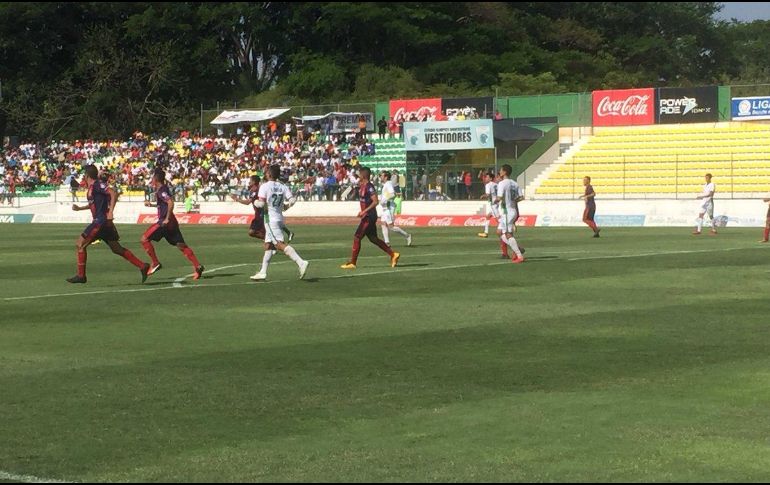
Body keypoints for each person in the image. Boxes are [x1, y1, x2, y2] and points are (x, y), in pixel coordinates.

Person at [66, 165, 150, 284]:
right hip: (104, 223)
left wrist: (110, 212)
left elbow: (113, 192)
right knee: (117, 249)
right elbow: (94, 204)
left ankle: (81, 276)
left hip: (100, 222)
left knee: (80, 244)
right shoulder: (91, 188)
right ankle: (142, 266)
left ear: (87, 175)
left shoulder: (96, 185)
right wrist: (80, 208)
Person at [140, 169, 204, 279]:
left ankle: (155, 263)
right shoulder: (162, 189)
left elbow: (170, 202)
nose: (151, 180)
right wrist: (152, 205)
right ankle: (197, 266)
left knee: (144, 239)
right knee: (181, 246)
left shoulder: (161, 191)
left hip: (165, 223)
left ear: (155, 179)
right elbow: (164, 205)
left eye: (152, 178)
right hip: (172, 223)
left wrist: (167, 218)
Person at [250, 165, 309, 281]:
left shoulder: (264, 187)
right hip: (279, 218)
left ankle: (301, 262)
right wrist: (286, 206)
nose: (265, 174)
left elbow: (261, 204)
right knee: (268, 245)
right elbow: (292, 200)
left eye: (267, 172)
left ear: (269, 174)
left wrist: (256, 202)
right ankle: (263, 272)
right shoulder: (282, 186)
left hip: (271, 220)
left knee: (278, 244)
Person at [341, 167, 399, 269]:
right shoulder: (362, 185)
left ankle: (353, 263)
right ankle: (393, 254)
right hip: (367, 216)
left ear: (363, 175)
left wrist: (364, 211)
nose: (358, 176)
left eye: (359, 174)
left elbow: (375, 201)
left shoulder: (369, 187)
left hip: (368, 216)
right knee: (373, 238)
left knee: (357, 237)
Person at [495, 164, 525, 263]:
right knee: (499, 232)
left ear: (504, 172)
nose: (499, 172)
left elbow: (499, 197)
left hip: (507, 212)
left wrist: (496, 201)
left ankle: (519, 256)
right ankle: (517, 248)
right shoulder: (514, 183)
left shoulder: (502, 183)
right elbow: (521, 197)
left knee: (508, 234)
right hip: (512, 210)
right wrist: (512, 201)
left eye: (501, 170)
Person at [379, 170, 412, 247]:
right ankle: (387, 243)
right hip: (385, 207)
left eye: (381, 175)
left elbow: (392, 194)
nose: (380, 176)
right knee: (383, 224)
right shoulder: (386, 184)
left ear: (386, 177)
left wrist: (384, 200)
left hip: (388, 206)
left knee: (391, 227)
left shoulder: (388, 184)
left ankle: (407, 235)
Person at [478, 171, 501, 243]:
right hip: (497, 202)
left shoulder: (488, 185)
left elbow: (487, 194)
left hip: (493, 204)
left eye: (487, 177)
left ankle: (505, 230)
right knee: (488, 216)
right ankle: (486, 232)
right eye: (485, 177)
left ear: (491, 178)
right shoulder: (495, 184)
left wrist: (482, 196)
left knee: (498, 219)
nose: (485, 178)